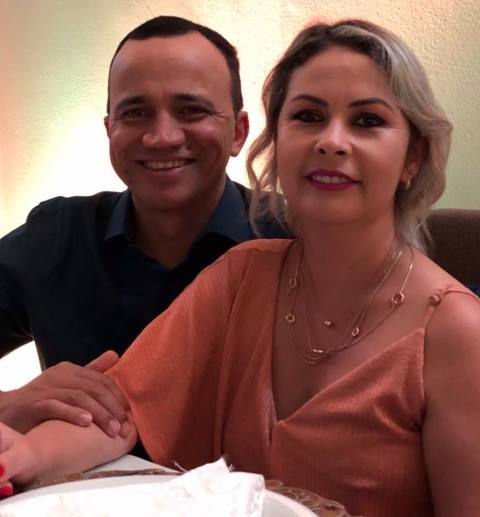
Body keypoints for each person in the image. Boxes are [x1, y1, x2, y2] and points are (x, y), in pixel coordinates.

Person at [1, 18, 479, 516]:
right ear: (277, 141)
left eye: (366, 121)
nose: (331, 141)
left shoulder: (455, 332)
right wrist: (24, 452)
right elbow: (120, 412)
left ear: (413, 156)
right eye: (308, 116)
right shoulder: (243, 274)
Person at [0, 16, 288, 436]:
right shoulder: (57, 239)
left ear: (238, 132)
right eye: (135, 113)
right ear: (109, 130)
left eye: (191, 111)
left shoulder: (298, 240)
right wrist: (9, 405)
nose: (161, 137)